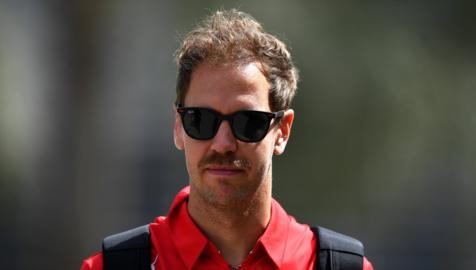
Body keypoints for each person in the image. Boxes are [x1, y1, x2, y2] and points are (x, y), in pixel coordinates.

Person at [81, 9, 374, 270]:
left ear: (282, 131)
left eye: (247, 122)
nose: (223, 143)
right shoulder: (110, 267)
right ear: (178, 126)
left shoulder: (341, 265)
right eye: (201, 120)